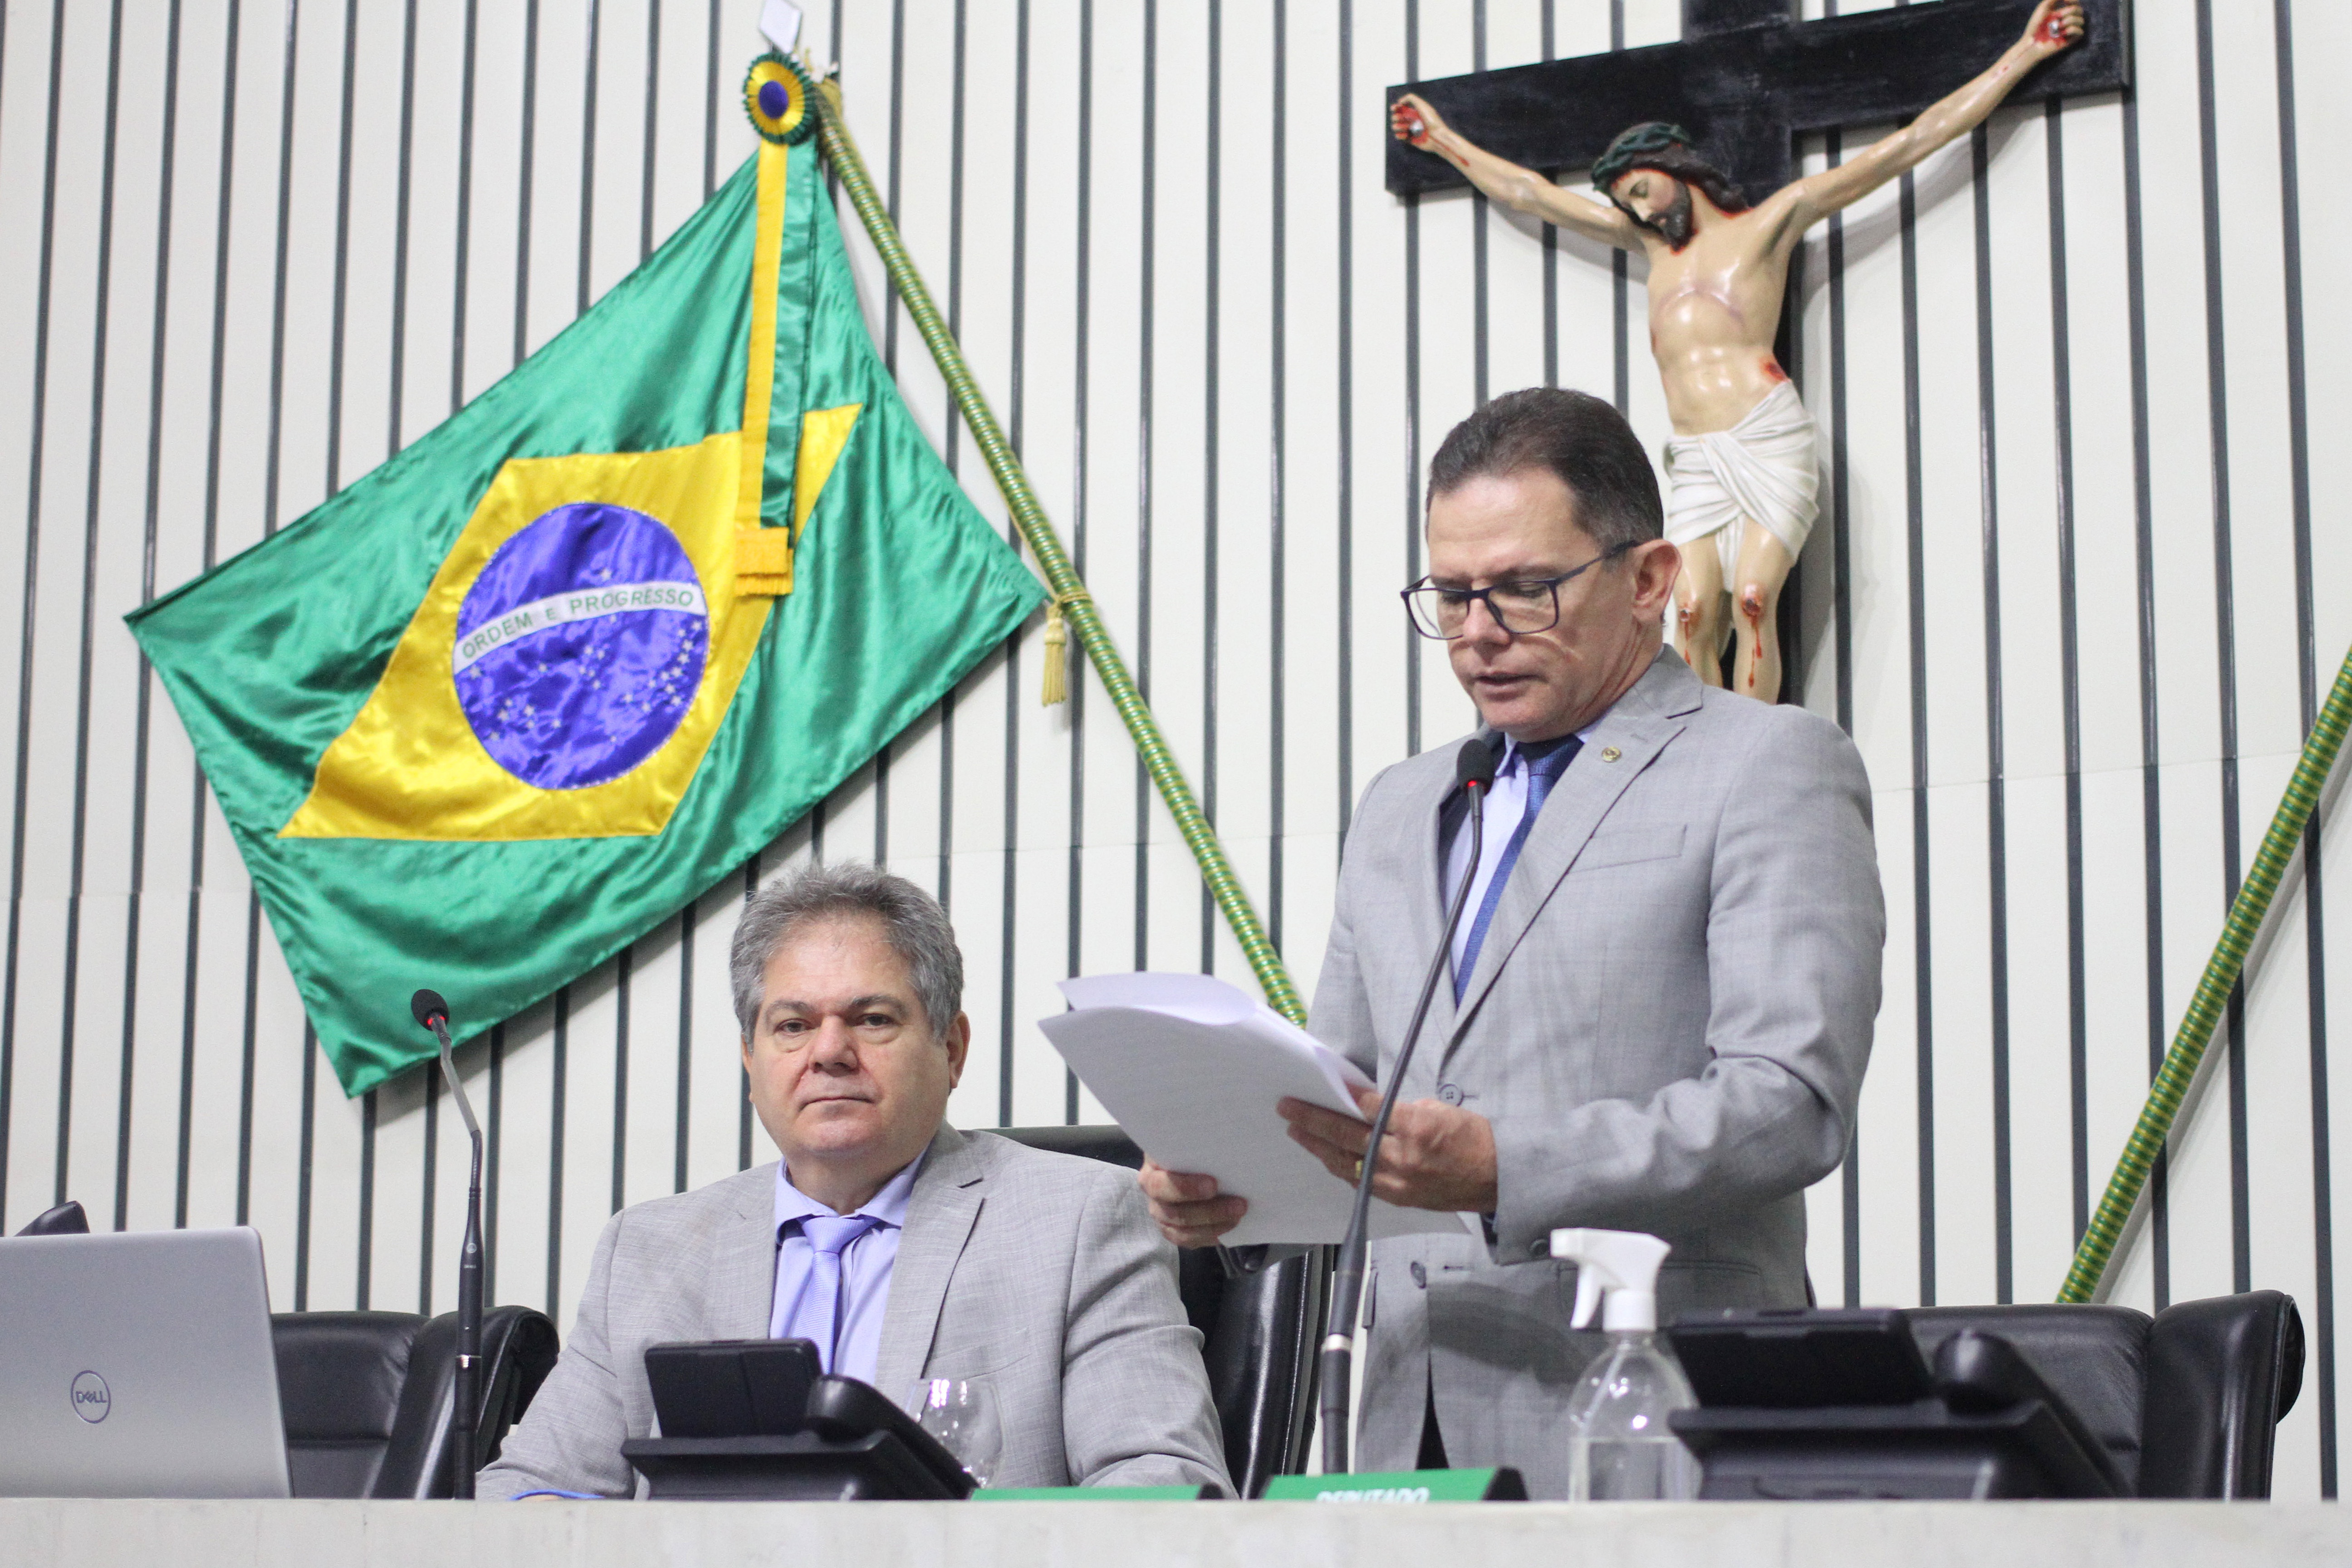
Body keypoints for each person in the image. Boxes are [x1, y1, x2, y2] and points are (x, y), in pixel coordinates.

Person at [1140, 388, 1884, 1499]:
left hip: (1651, 1411)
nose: (1479, 633)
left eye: (1526, 589)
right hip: (1406, 1421)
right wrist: (1237, 1187)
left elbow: (1790, 1104)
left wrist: (1508, 1169)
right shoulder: (1402, 805)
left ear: (1650, 579)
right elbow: (1344, 1102)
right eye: (1452, 595)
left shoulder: (1767, 764)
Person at [1389, 0, 2084, 701]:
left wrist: (2025, 53)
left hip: (1764, 431)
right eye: (1627, 203)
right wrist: (1442, 139)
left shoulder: (1768, 226)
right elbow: (1529, 193)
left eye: (1642, 190)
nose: (1640, 210)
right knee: (1691, 611)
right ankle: (1700, 746)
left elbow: (1906, 146)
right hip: (1696, 453)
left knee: (1753, 598)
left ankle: (1756, 743)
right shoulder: (1649, 246)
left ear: (1674, 166)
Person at [483, 861, 1232, 1499]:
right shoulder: (649, 1250)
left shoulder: (1081, 1222)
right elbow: (525, 1493)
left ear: (951, 1048)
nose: (829, 1052)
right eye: (793, 1025)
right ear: (751, 1061)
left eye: (872, 1019)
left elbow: (1161, 1485)